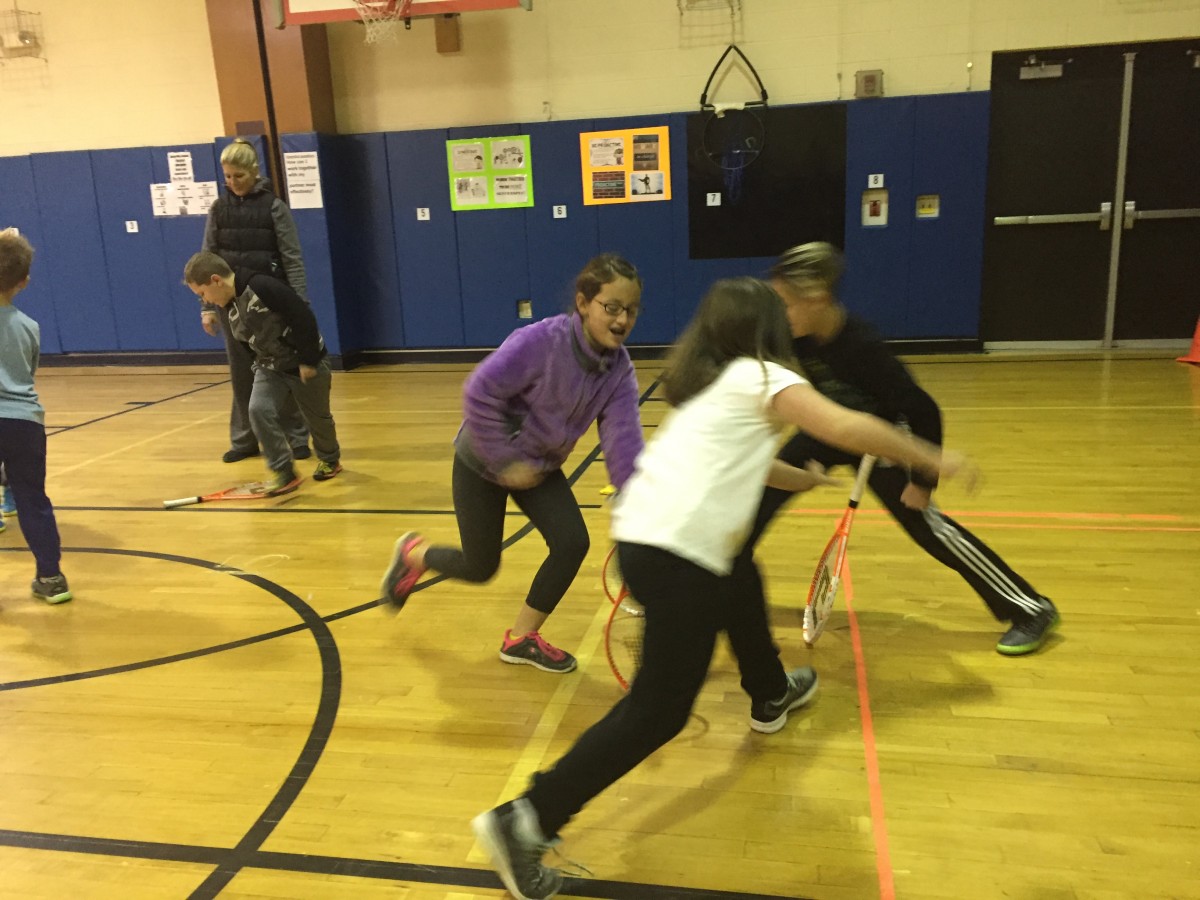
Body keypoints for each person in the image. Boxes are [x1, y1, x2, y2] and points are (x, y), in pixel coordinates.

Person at [470, 277, 975, 900]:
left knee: (740, 572)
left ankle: (769, 692)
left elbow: (757, 464)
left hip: (645, 541)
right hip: (679, 556)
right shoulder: (765, 378)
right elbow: (847, 425)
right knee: (657, 713)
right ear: (765, 329)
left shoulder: (715, 389)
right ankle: (525, 820)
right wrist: (928, 457)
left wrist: (804, 482)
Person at [736, 242, 1058, 655]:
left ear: (817, 299)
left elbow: (924, 410)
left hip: (879, 442)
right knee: (756, 502)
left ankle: (1031, 608)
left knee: (928, 528)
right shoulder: (795, 336)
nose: (779, 313)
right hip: (829, 432)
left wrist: (923, 481)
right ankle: (721, 588)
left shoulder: (862, 345)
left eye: (785, 303)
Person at [379, 254, 646, 675]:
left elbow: (623, 439)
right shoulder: (540, 341)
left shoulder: (618, 370)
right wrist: (505, 460)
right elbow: (479, 393)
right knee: (480, 566)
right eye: (611, 307)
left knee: (572, 542)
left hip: (538, 467)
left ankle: (521, 638)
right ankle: (416, 554)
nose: (621, 319)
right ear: (583, 303)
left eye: (630, 310)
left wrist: (635, 504)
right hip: (483, 459)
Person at [182, 252, 342, 493]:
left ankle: (330, 459)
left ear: (216, 280)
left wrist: (308, 361)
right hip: (269, 367)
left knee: (318, 419)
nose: (206, 300)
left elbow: (303, 318)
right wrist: (257, 366)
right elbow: (246, 341)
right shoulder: (228, 304)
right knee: (258, 409)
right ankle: (284, 472)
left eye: (203, 294)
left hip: (305, 363)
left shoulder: (263, 287)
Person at [201, 138, 310, 464]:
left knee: (281, 370)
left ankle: (297, 437)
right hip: (230, 307)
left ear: (254, 172)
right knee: (241, 375)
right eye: (228, 177)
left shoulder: (274, 207)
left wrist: (299, 305)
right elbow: (208, 259)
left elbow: (292, 259)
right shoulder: (218, 209)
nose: (233, 183)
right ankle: (245, 439)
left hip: (269, 305)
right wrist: (207, 307)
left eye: (239, 176)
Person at [0, 229, 71, 604]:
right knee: (32, 499)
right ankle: (51, 576)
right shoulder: (29, 327)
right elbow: (28, 371)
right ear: (24, 283)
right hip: (24, 421)